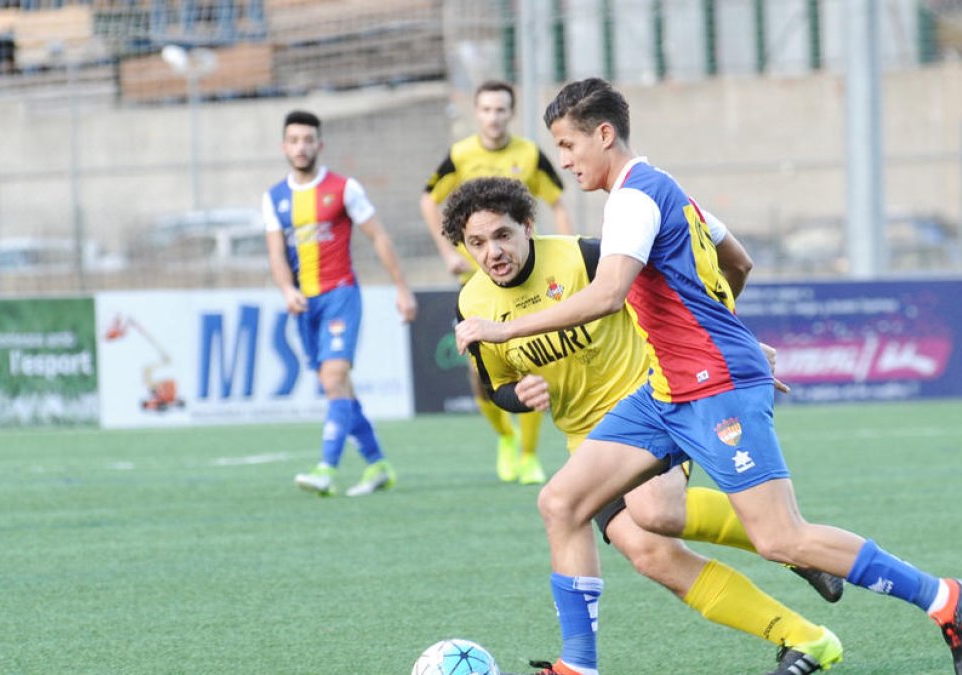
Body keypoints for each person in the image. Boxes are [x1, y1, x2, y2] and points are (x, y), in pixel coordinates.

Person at [455, 79, 962, 675]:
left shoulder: (632, 199)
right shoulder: (672, 193)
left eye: (569, 144)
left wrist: (503, 332)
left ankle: (944, 597)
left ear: (604, 134)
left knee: (781, 538)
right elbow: (738, 262)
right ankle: (579, 666)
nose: (566, 160)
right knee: (561, 502)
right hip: (665, 390)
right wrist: (723, 332)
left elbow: (608, 297)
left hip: (711, 388)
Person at [444, 176, 844, 674]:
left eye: (502, 235)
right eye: (476, 243)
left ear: (528, 225)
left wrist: (730, 346)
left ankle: (787, 540)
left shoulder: (586, 258)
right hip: (588, 439)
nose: (492, 252)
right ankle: (804, 636)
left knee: (654, 508)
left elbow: (680, 295)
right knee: (652, 554)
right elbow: (495, 383)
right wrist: (518, 396)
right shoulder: (471, 304)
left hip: (653, 403)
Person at [420, 80, 574, 486]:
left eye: (501, 109)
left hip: (530, 277)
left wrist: (562, 246)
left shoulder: (529, 154)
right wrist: (448, 252)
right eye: (486, 109)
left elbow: (557, 201)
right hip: (477, 284)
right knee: (480, 373)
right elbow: (428, 199)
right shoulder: (460, 155)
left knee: (533, 361)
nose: (494, 117)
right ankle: (505, 438)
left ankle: (526, 455)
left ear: (511, 112)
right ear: (477, 113)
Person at [264, 109, 418, 497]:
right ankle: (378, 464)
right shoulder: (274, 198)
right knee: (339, 387)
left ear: (320, 145)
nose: (301, 147)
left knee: (333, 379)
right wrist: (286, 289)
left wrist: (402, 287)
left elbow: (379, 237)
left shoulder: (343, 188)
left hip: (340, 295)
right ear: (285, 146)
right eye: (294, 140)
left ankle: (326, 470)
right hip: (304, 306)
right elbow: (277, 254)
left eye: (308, 140)